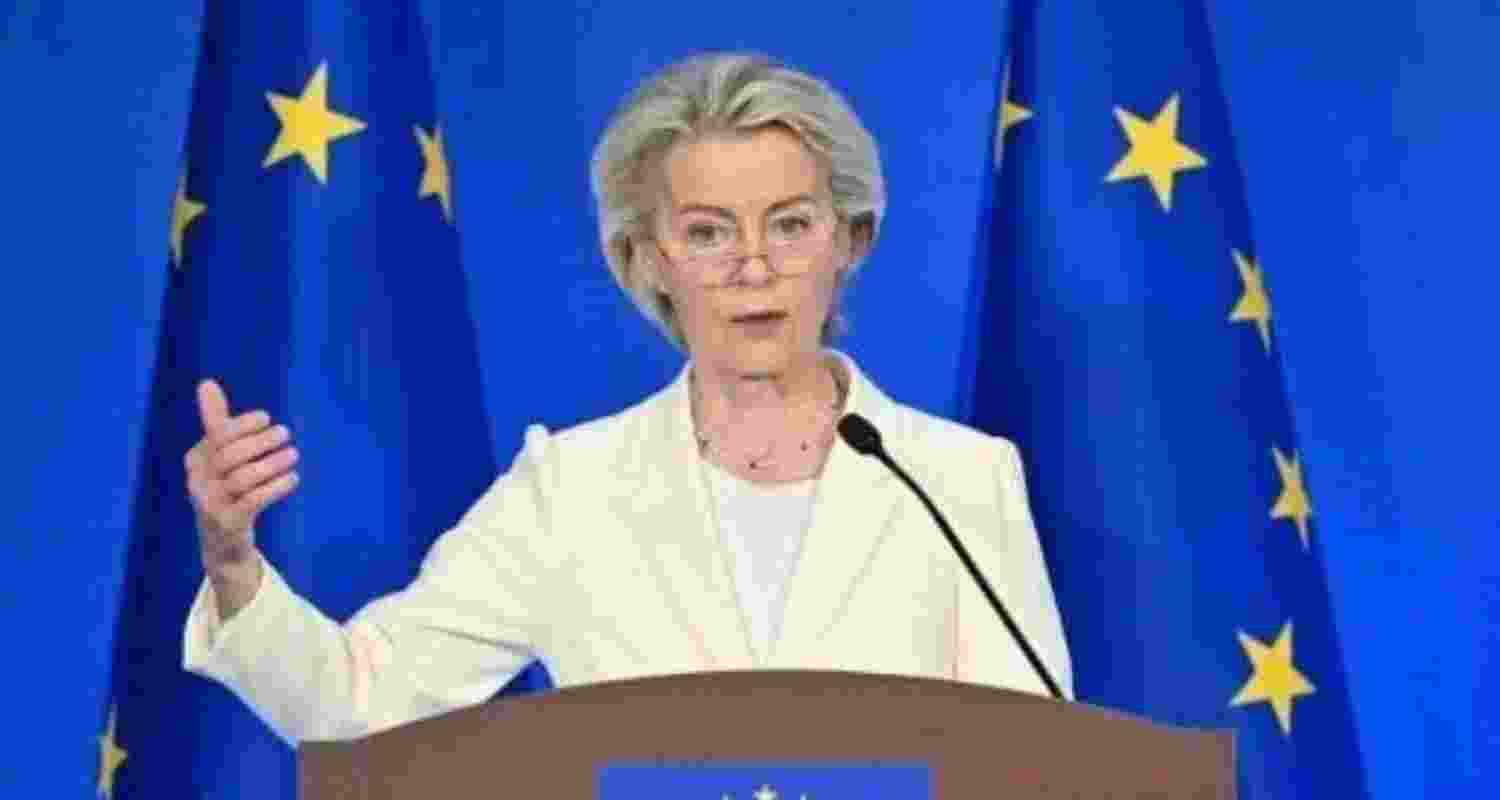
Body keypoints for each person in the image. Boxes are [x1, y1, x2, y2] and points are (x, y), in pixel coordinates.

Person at [182, 51, 1073, 745]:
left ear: (850, 241)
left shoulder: (960, 477)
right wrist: (231, 565)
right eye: (707, 232)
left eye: (791, 224)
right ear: (644, 261)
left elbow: (1041, 760)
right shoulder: (570, 490)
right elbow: (358, 699)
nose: (754, 267)